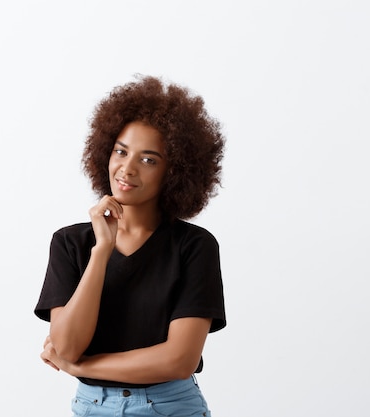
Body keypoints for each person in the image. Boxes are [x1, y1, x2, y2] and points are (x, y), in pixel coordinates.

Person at [34, 75, 226, 417]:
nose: (127, 168)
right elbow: (66, 345)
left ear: (175, 171)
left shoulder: (194, 247)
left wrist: (82, 368)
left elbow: (179, 360)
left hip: (168, 407)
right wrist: (101, 251)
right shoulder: (70, 243)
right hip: (92, 407)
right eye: (121, 151)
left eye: (148, 159)